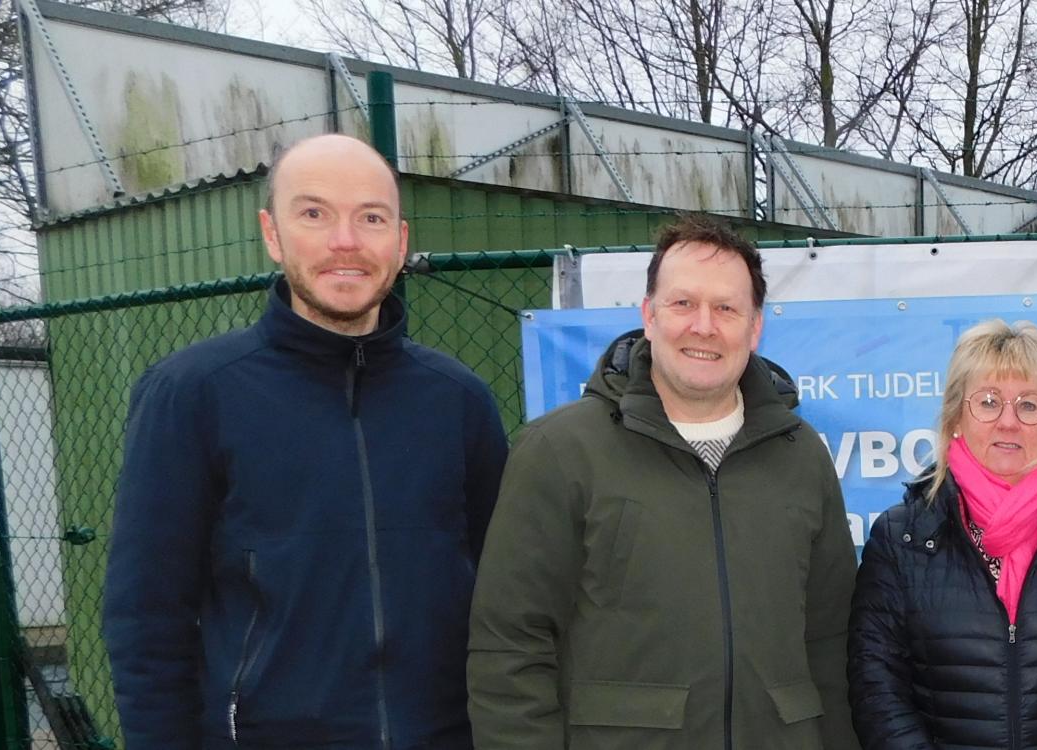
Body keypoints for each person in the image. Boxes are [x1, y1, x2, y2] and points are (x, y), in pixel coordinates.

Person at [104, 133, 508, 748]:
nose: (345, 241)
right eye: (314, 213)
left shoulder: (458, 400)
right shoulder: (191, 394)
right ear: (273, 234)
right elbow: (145, 620)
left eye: (371, 218)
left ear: (400, 242)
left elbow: (505, 599)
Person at [467, 216, 858, 748]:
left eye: (726, 308)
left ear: (755, 325)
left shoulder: (801, 455)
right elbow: (510, 650)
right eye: (683, 304)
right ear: (648, 315)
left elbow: (830, 642)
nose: (704, 326)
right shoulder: (559, 451)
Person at [848, 319, 1037, 749]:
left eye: (1029, 405)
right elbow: (876, 689)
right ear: (957, 415)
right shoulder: (902, 538)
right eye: (989, 402)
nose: (1009, 422)